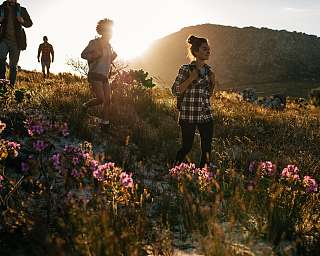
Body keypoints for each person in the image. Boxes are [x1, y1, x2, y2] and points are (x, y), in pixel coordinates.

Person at [172, 35, 216, 168]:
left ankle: (203, 175)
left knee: (207, 148)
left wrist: (212, 84)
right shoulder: (185, 69)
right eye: (204, 49)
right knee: (186, 147)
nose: (208, 51)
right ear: (196, 52)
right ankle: (174, 169)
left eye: (208, 49)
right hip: (188, 115)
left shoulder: (209, 72)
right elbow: (175, 90)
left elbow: (207, 95)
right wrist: (190, 79)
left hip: (205, 114)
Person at [81, 18, 117, 130]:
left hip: (104, 75)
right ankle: (85, 106)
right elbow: (83, 54)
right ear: (101, 31)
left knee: (108, 100)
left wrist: (112, 57)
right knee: (101, 99)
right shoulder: (94, 43)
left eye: (111, 31)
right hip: (95, 73)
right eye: (107, 30)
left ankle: (105, 123)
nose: (109, 33)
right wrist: (94, 55)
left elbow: (110, 58)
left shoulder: (109, 46)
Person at [0, 0, 32, 87]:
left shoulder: (22, 10)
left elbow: (29, 23)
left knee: (13, 66)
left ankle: (11, 86)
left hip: (16, 42)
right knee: (1, 60)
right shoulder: (1, 8)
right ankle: (2, 85)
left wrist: (22, 21)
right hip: (3, 40)